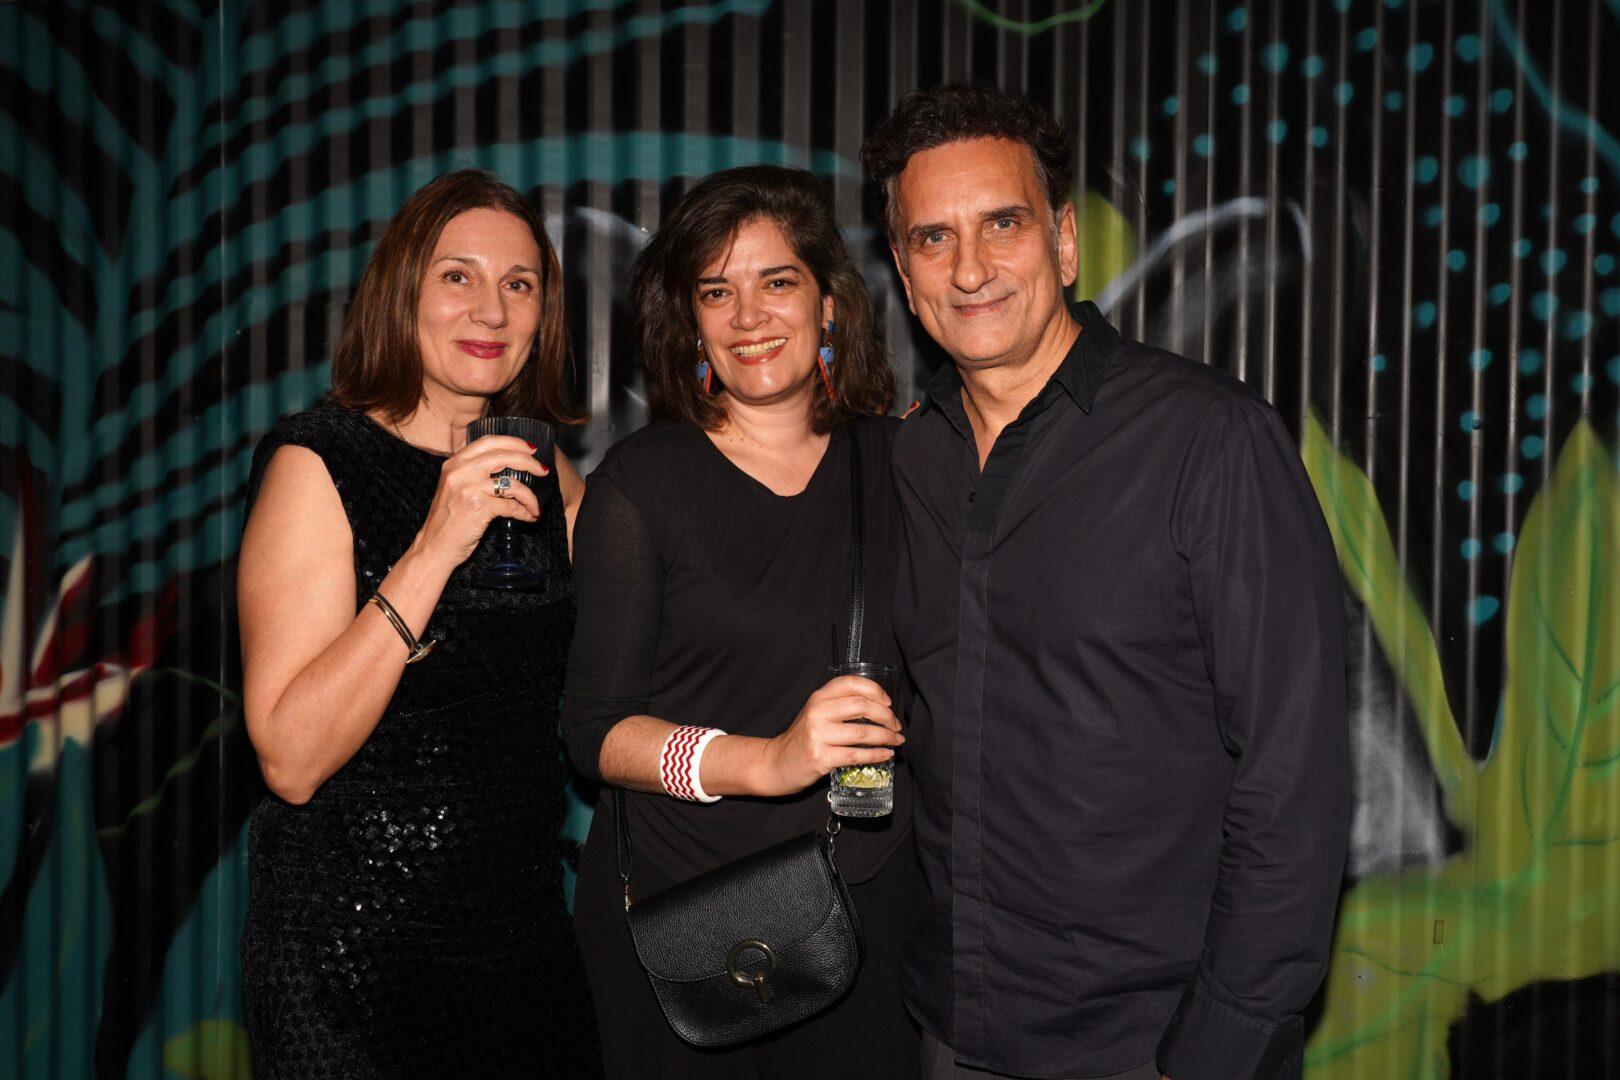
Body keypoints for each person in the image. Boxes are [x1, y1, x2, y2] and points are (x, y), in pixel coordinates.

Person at [859, 83, 1350, 1080]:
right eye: (933, 239)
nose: (970, 268)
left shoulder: (1208, 441)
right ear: (905, 276)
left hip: (1155, 1043)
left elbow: (1294, 776)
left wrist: (1224, 1039)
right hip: (954, 1025)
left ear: (1066, 241)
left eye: (1003, 224)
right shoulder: (918, 460)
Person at [237, 169, 600, 1078]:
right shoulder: (320, 462)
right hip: (354, 969)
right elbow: (290, 759)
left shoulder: (549, 478)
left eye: (519, 284)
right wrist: (435, 546)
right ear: (402, 291)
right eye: (457, 276)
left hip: (520, 953)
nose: (491, 310)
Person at [562, 164, 920, 1080]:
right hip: (680, 921)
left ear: (829, 303)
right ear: (692, 320)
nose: (749, 316)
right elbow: (596, 733)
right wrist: (769, 761)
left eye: (777, 281)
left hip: (862, 905)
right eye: (717, 291)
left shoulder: (906, 463)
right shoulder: (642, 484)